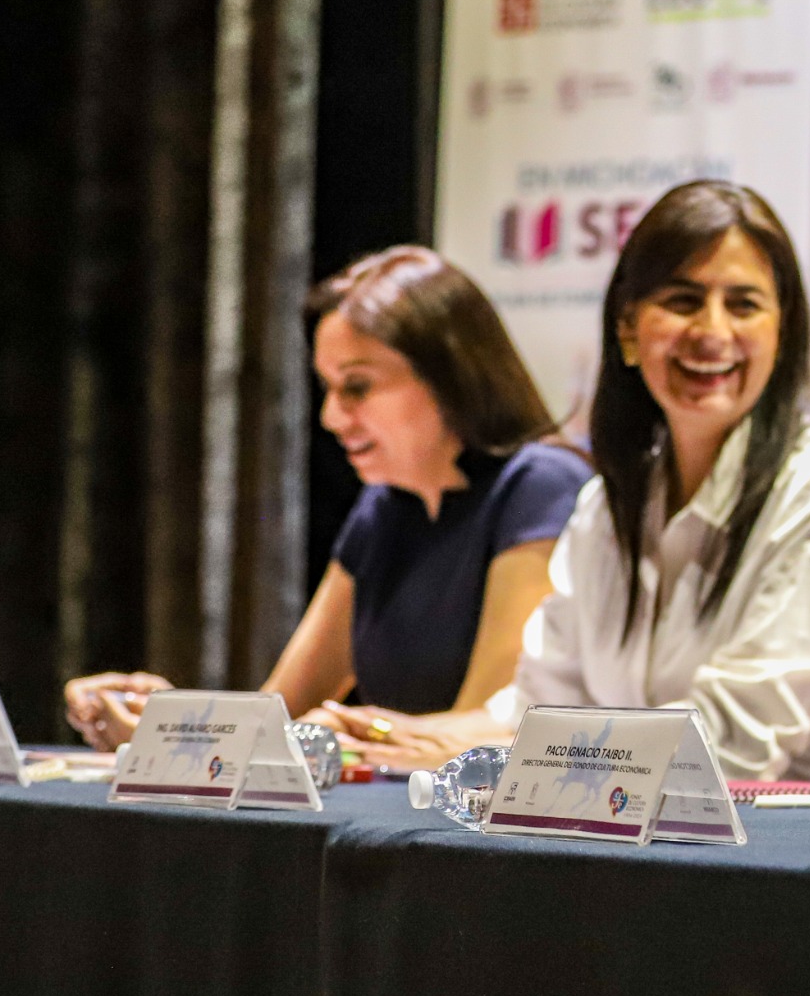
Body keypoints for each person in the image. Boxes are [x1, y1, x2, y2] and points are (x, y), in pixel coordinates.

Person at [468, 179, 810, 787]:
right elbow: (537, 710)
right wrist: (395, 736)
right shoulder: (606, 505)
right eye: (684, 301)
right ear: (628, 329)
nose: (712, 331)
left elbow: (728, 746)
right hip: (644, 826)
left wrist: (545, 756)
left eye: (743, 305)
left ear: (782, 333)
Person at [63, 247, 589, 756]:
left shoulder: (541, 486)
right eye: (327, 389)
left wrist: (344, 732)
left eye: (357, 387)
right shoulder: (384, 507)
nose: (332, 418)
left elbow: (485, 736)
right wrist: (167, 724)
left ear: (452, 375)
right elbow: (279, 713)